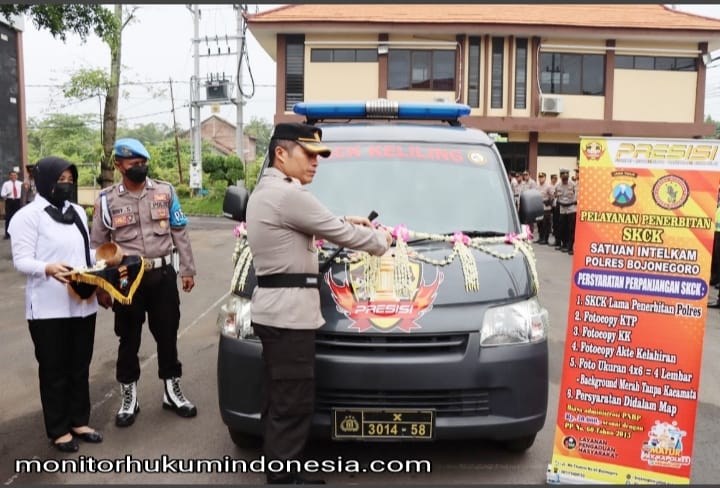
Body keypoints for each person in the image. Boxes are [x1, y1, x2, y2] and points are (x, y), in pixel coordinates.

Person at [246, 123, 392, 484]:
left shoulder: (273, 191)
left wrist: (341, 220)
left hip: (278, 311)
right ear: (282, 154)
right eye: (308, 154)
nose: (316, 162)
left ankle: (282, 469)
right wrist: (381, 240)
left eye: (319, 156)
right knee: (292, 401)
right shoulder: (288, 195)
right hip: (288, 316)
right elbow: (340, 234)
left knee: (280, 396)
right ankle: (284, 479)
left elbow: (311, 225)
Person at [90, 138, 197, 428]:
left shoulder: (165, 191)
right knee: (128, 338)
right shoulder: (107, 200)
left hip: (162, 276)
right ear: (119, 165)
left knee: (167, 334)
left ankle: (172, 391)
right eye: (133, 164)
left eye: (143, 164)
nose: (139, 168)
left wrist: (187, 269)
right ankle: (129, 397)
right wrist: (101, 286)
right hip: (127, 281)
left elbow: (179, 231)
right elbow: (99, 244)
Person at [9, 157, 102, 453]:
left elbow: (85, 253)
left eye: (70, 178)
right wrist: (47, 267)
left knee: (80, 364)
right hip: (48, 308)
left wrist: (104, 264)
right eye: (60, 178)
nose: (66, 184)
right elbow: (21, 260)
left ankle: (79, 421)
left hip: (82, 304)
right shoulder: (27, 216)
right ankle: (59, 428)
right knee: (53, 369)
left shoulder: (76, 212)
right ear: (45, 180)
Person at [555, 168, 577, 255]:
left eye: (566, 178)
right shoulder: (558, 186)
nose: (565, 180)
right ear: (560, 177)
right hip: (562, 208)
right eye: (563, 178)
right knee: (562, 227)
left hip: (571, 208)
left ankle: (570, 246)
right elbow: (556, 195)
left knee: (571, 228)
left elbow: (577, 196)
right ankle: (564, 245)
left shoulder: (573, 185)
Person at [2, 168, 23, 239]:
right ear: (9, 176)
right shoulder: (6, 184)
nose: (13, 176)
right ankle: (7, 234)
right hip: (10, 201)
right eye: (12, 175)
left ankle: (19, 233)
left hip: (18, 201)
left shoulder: (21, 183)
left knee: (19, 217)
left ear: (17, 176)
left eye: (15, 175)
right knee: (8, 217)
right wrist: (7, 194)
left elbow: (24, 193)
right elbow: (2, 194)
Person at [536, 172, 553, 244]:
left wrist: (549, 202)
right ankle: (540, 237)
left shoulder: (548, 186)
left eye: (542, 177)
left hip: (546, 208)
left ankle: (545, 239)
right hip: (539, 207)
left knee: (545, 224)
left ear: (545, 178)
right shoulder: (537, 186)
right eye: (539, 177)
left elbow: (552, 196)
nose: (540, 179)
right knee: (539, 224)